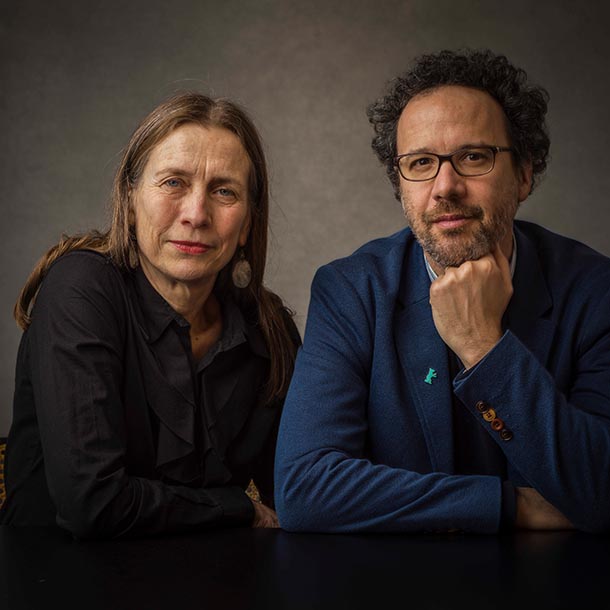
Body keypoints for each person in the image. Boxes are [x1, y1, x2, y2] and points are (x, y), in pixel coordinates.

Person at [274, 49, 610, 534]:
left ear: (524, 174)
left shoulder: (595, 292)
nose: (444, 186)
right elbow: (305, 491)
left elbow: (603, 489)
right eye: (421, 162)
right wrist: (507, 506)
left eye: (474, 156)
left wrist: (482, 346)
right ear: (401, 184)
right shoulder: (351, 291)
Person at [1, 92, 300, 538]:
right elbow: (92, 502)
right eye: (173, 183)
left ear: (248, 225)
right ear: (131, 199)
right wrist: (235, 508)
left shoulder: (267, 326)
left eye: (224, 191)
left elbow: (298, 495)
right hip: (62, 583)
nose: (196, 215)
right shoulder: (81, 288)